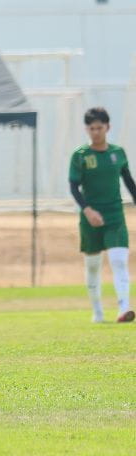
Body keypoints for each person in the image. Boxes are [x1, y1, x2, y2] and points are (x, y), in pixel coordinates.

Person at [69, 107, 136, 323]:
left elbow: (128, 182)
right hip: (91, 217)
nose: (96, 132)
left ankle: (124, 308)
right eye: (92, 128)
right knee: (93, 265)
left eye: (100, 127)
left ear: (108, 127)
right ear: (86, 129)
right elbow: (73, 187)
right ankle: (97, 311)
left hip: (115, 215)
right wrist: (87, 210)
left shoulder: (118, 153)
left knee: (118, 261)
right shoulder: (80, 156)